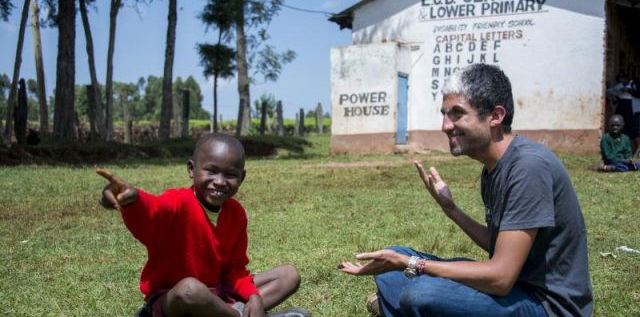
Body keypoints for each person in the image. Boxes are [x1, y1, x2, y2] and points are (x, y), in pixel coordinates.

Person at [339, 64, 593, 317]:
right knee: (394, 268)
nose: (445, 126)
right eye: (444, 114)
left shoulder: (528, 168)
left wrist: (415, 265)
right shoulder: (492, 169)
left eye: (457, 114)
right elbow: (499, 245)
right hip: (516, 288)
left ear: (496, 116)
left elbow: (501, 277)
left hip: (546, 305)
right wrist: (451, 210)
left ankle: (396, 308)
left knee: (421, 293)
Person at [97, 133, 310, 317]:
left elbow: (235, 269)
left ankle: (238, 311)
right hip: (173, 303)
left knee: (288, 275)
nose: (219, 181)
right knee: (191, 290)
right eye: (211, 171)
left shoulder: (235, 213)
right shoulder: (178, 202)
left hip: (218, 295)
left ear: (242, 178)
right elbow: (152, 209)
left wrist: (253, 296)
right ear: (192, 169)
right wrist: (132, 200)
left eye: (230, 175)